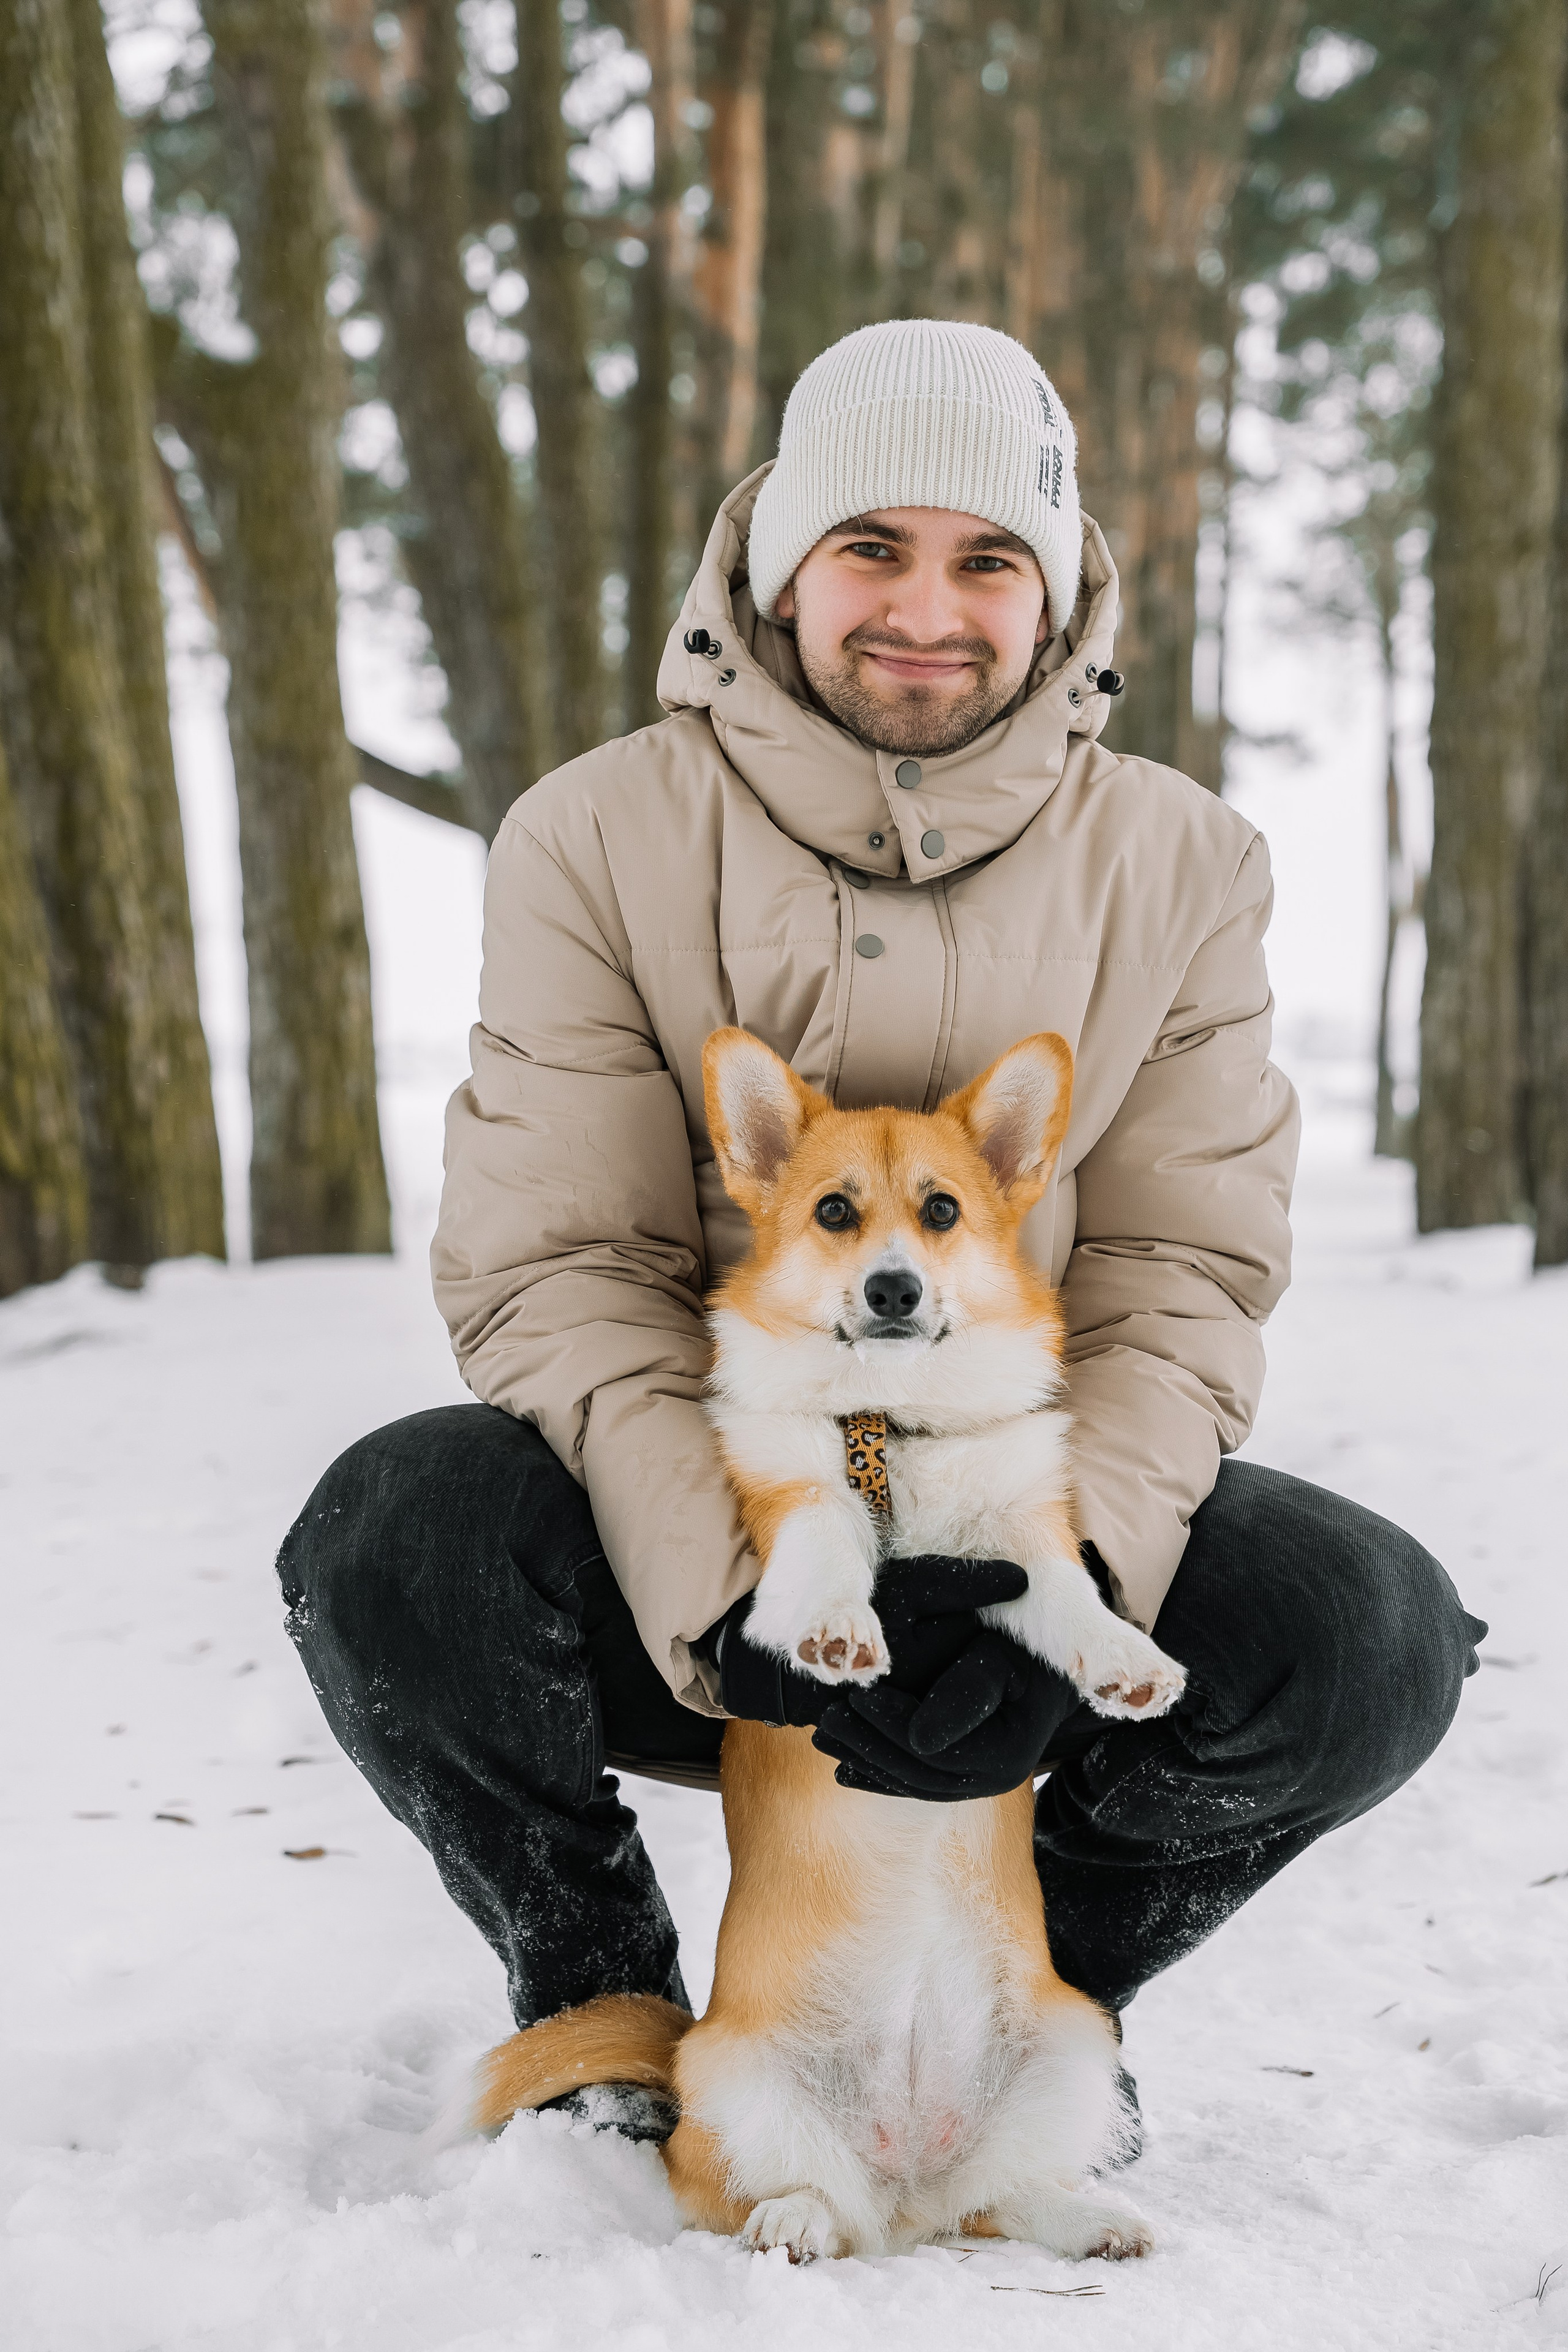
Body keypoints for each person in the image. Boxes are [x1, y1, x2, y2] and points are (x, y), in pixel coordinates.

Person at [277, 322, 1483, 2135]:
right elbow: (563, 1268)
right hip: (692, 1535)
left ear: (1059, 590)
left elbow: (1182, 1278)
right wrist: (738, 1590)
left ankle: (1026, 2011)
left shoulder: (1183, 863)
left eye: (990, 558)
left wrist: (1051, 1588)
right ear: (777, 570)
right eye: (874, 548)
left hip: (1022, 1503)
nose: (930, 607)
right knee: (390, 1536)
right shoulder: (594, 838)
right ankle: (599, 2001)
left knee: (1372, 1631)